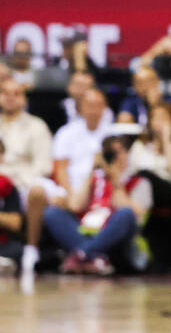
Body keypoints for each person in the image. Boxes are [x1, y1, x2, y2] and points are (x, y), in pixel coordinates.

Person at [42, 133, 152, 275]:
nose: (114, 157)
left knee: (126, 214)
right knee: (52, 213)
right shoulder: (95, 179)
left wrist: (115, 181)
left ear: (126, 154)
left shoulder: (139, 181)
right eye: (110, 153)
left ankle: (81, 254)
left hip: (118, 237)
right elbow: (76, 205)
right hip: (89, 231)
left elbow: (136, 215)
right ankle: (94, 257)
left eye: (118, 153)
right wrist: (92, 171)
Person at [0, 78, 53, 283]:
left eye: (16, 93)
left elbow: (43, 166)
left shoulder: (36, 126)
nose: (10, 98)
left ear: (23, 98)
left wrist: (11, 179)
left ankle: (31, 249)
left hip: (23, 184)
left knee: (38, 191)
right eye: (5, 92)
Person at [52, 87, 112, 198]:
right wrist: (71, 196)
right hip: (71, 189)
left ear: (105, 108)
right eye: (90, 105)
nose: (94, 110)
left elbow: (117, 171)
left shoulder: (113, 134)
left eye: (98, 105)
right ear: (80, 108)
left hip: (104, 190)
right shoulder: (65, 132)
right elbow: (60, 169)